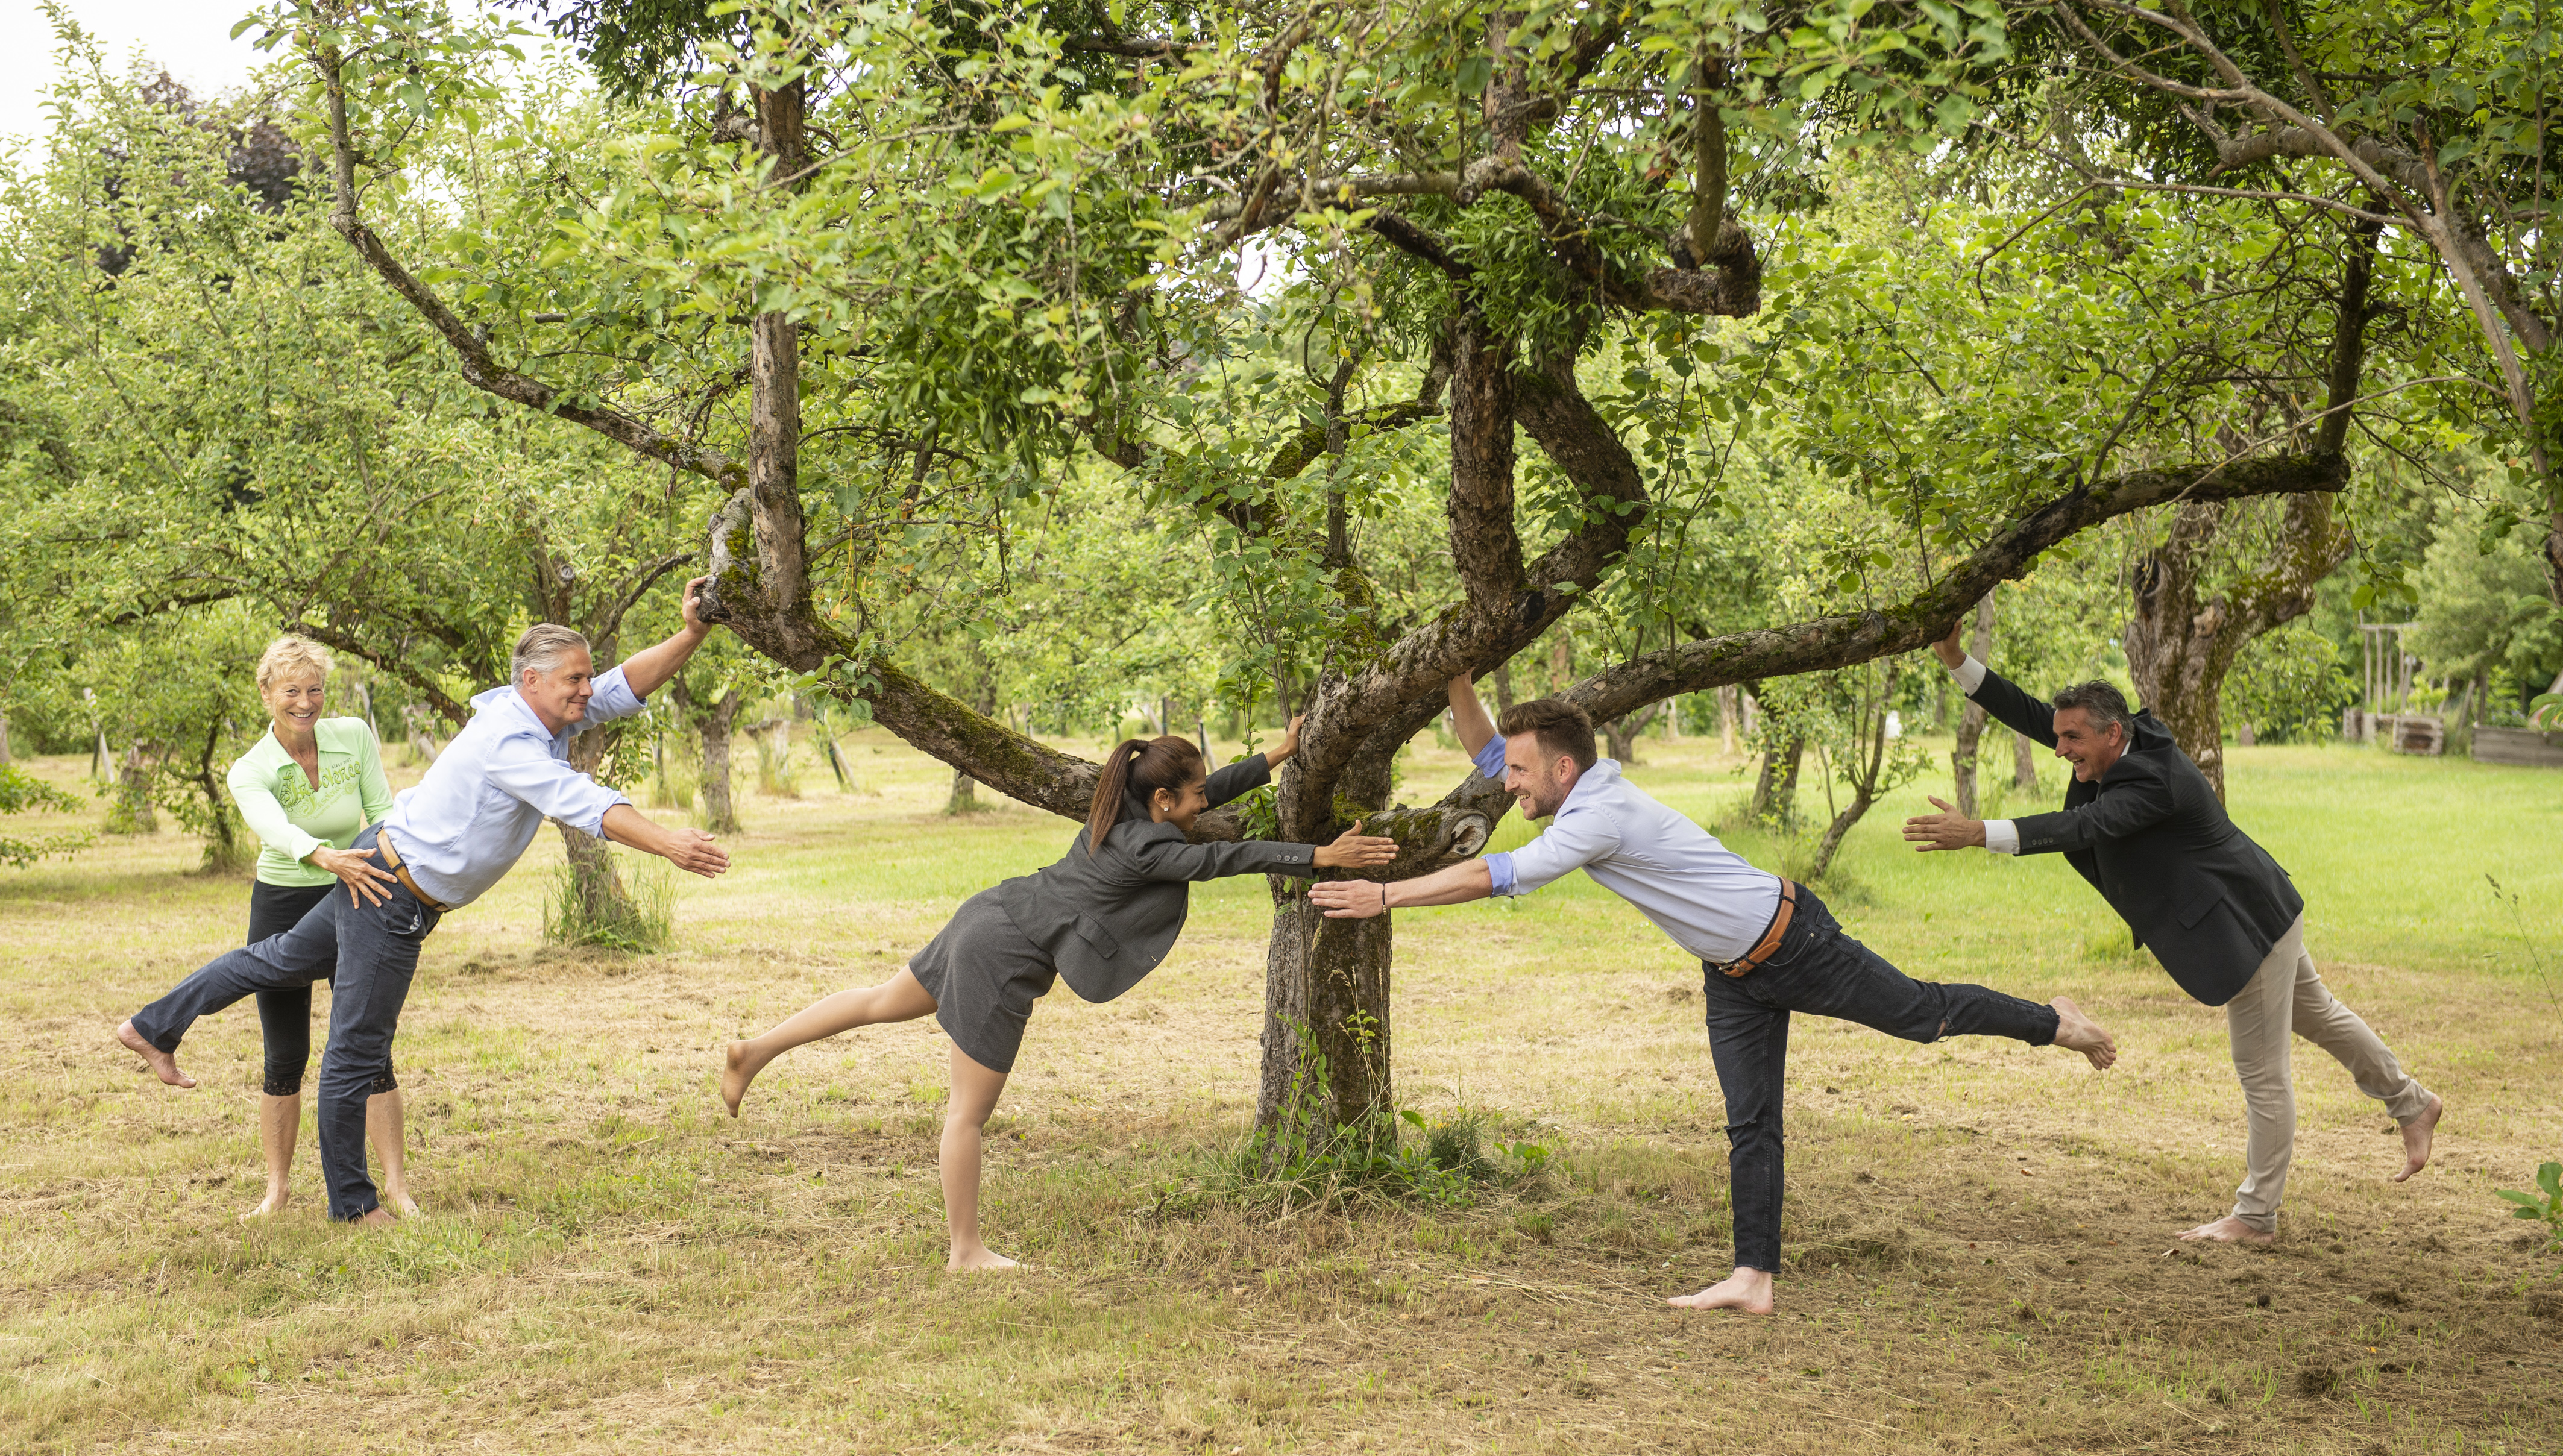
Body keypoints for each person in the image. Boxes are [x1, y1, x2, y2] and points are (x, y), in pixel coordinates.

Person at [1308, 676, 2118, 1316]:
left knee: (1922, 1014)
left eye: (1520, 774)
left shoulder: (1598, 817)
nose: (1504, 784)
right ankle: (1752, 1277)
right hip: (1731, 973)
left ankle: (2056, 1023)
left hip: (1795, 942)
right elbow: (1489, 748)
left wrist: (1385, 897)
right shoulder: (1574, 782)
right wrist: (1458, 676)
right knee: (1751, 1122)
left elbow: (1499, 874)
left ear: (1561, 770)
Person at [116, 585, 731, 1225]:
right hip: (391, 892)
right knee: (356, 1048)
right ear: (532, 680)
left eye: (585, 678)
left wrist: (692, 633)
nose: (586, 689)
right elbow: (584, 801)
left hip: (381, 863)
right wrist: (669, 842)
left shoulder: (544, 708)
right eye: (575, 679)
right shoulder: (511, 741)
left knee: (275, 961)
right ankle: (354, 1206)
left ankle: (152, 1027)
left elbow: (623, 684)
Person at [720, 718, 1397, 1272]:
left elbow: (1208, 791)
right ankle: (965, 1251)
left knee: (877, 1002)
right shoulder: (1150, 848)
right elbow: (1226, 858)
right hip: (1002, 953)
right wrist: (1319, 856)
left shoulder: (1128, 799)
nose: (1203, 806)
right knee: (967, 1114)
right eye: (1193, 799)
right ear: (1164, 800)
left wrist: (1275, 754)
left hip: (992, 911)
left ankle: (754, 1051)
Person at [1902, 621, 2441, 1246]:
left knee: (2261, 1072)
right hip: (2262, 904)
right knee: (2320, 1014)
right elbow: (2029, 712)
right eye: (2060, 736)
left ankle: (2256, 1216)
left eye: (2072, 739)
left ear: (2111, 733)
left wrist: (1978, 833)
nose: (2059, 749)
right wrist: (1956, 658)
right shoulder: (2119, 737)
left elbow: (2083, 828)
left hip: (2243, 926)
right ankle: (2413, 1103)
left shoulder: (2151, 780)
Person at [225, 635, 414, 1219]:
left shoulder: (353, 735)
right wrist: (324, 854)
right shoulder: (250, 769)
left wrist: (394, 870)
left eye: (314, 690)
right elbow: (274, 828)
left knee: (369, 1048)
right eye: (291, 691)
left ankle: (396, 1186)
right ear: (266, 693)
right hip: (284, 900)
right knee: (285, 1055)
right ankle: (277, 1189)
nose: (305, 702)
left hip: (357, 889)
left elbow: (382, 811)